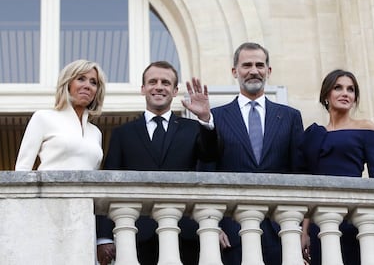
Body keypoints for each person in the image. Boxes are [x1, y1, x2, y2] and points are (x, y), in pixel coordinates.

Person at [96, 61, 218, 265]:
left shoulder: (194, 128)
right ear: (143, 88)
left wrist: (205, 118)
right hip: (136, 234)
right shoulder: (123, 134)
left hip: (185, 233)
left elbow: (211, 156)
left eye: (166, 82)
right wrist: (104, 237)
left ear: (175, 90)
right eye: (153, 82)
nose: (159, 86)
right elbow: (109, 184)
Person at [200, 42, 304, 265]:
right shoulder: (216, 117)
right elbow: (207, 174)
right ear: (234, 71)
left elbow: (300, 174)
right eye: (247, 65)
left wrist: (303, 228)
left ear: (269, 70)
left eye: (259, 64)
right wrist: (213, 225)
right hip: (232, 231)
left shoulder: (290, 117)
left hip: (282, 230)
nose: (254, 70)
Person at [298, 69, 374, 265]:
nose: (346, 93)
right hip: (321, 219)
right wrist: (304, 232)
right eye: (338, 88)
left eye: (351, 90)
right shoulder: (313, 134)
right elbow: (308, 185)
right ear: (326, 95)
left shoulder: (366, 128)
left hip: (356, 217)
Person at [15, 59, 106, 171]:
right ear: (67, 84)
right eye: (81, 79)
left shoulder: (96, 133)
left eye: (93, 82)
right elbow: (22, 169)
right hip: (51, 188)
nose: (88, 86)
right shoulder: (43, 117)